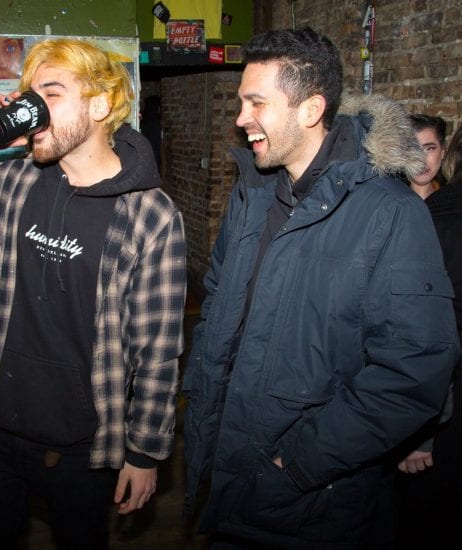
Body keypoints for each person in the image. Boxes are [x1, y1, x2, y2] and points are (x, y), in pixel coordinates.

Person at [182, 28, 459, 549]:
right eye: (242, 102)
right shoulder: (254, 194)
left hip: (315, 505)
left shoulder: (390, 212)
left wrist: (296, 464)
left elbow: (414, 369)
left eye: (256, 103)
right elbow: (218, 299)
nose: (241, 118)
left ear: (311, 109)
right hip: (229, 478)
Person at [0, 38, 186, 550]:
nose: (33, 109)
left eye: (51, 93)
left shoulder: (150, 214)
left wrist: (145, 451)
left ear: (100, 105)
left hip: (83, 444)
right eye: (30, 95)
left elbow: (158, 346)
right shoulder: (9, 182)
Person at [395, 124, 462, 549]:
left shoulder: (442, 212)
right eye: (413, 149)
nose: (422, 159)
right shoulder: (394, 208)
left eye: (431, 147)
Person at [407, 113, 446, 200]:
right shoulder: (386, 201)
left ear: (442, 152)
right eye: (413, 149)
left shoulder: (454, 200)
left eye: (430, 149)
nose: (422, 160)